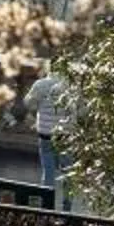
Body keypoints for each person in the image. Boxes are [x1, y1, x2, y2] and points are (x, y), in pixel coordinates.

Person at [28, 66, 71, 206]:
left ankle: (46, 208)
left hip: (45, 133)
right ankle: (67, 208)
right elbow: (80, 110)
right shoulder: (71, 85)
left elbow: (29, 104)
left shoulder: (40, 84)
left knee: (48, 173)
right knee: (68, 174)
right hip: (66, 135)